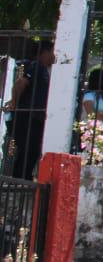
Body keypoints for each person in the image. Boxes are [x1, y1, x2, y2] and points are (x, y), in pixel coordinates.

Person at [6, 40, 54, 180]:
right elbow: (20, 83)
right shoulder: (36, 66)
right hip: (28, 116)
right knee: (28, 150)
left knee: (31, 151)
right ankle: (20, 180)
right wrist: (14, 103)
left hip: (35, 117)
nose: (54, 55)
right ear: (45, 52)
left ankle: (22, 179)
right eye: (53, 51)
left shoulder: (43, 69)